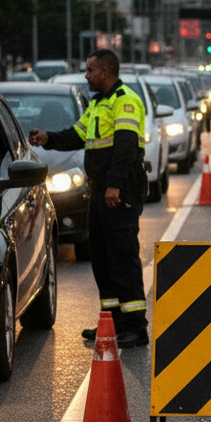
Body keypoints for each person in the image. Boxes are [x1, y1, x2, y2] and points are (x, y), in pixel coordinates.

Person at [29, 49, 149, 348]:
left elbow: (125, 149)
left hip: (118, 191)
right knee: (103, 258)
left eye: (91, 70)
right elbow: (78, 135)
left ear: (107, 72)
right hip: (99, 190)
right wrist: (49, 138)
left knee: (122, 258)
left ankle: (135, 327)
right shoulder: (98, 103)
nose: (87, 75)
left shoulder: (125, 101)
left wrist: (115, 187)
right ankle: (111, 323)